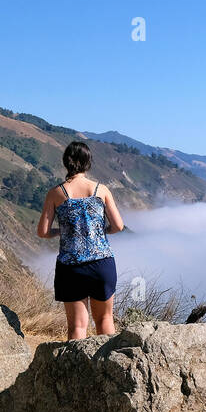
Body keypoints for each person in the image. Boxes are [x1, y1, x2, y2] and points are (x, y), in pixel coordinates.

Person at [36, 141, 124, 340]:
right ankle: (107, 368)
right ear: (88, 162)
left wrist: (64, 231)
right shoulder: (101, 190)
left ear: (66, 162)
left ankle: (77, 370)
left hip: (71, 266)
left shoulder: (56, 193)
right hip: (101, 263)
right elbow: (118, 226)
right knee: (105, 321)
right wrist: (99, 231)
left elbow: (42, 232)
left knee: (77, 327)